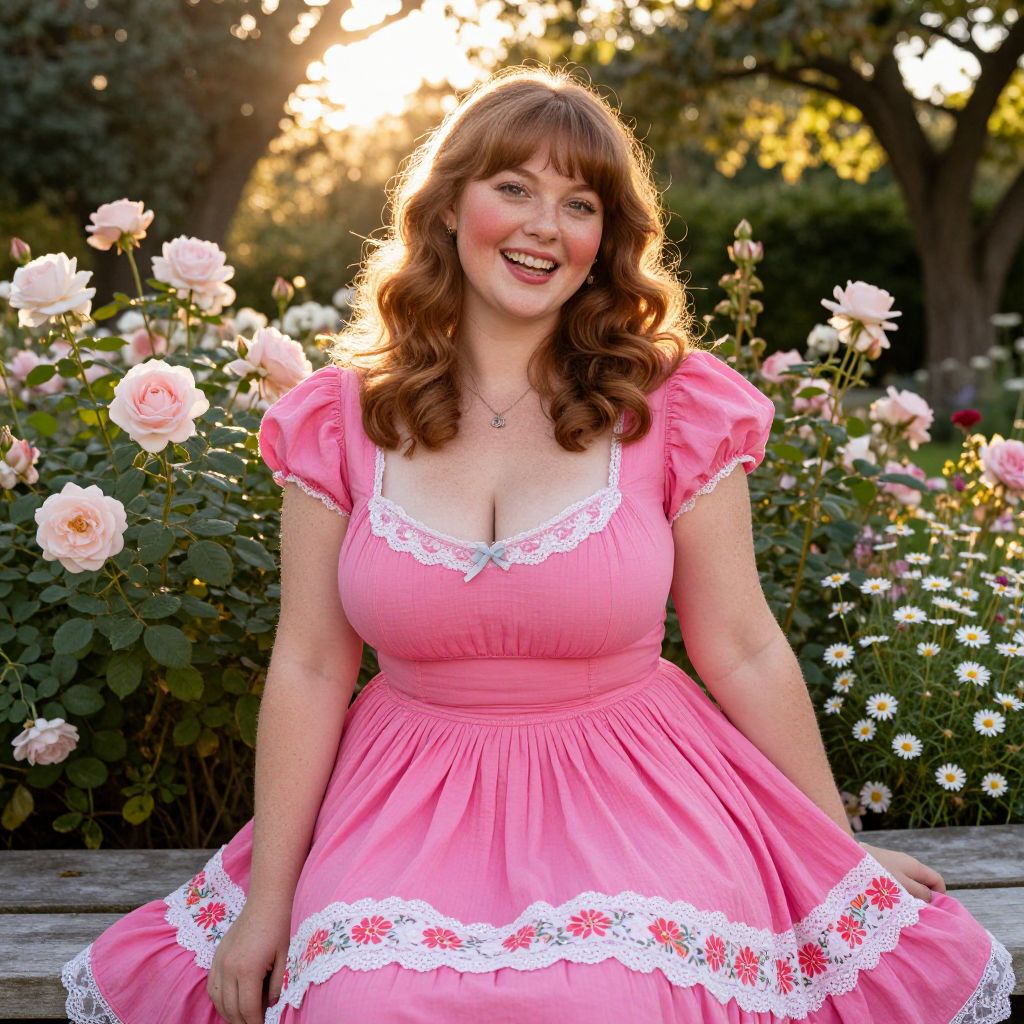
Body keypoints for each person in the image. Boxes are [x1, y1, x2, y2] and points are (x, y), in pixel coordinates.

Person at [61, 65, 1013, 1024]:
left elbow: (745, 642)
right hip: (404, 801)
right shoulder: (339, 417)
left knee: (625, 995)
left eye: (578, 203)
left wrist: (835, 850)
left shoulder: (674, 407)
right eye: (512, 188)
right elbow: (310, 665)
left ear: (605, 242)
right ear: (446, 208)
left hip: (642, 792)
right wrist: (268, 906)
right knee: (360, 999)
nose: (542, 227)